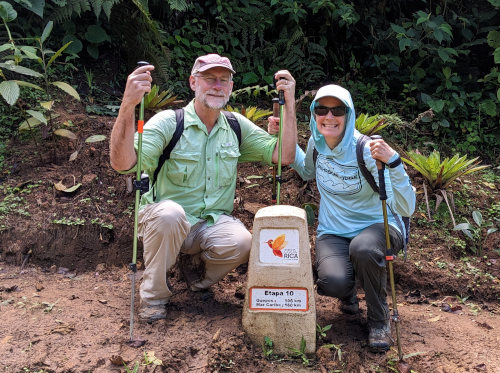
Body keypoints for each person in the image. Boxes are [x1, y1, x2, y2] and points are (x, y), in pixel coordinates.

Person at [110, 54, 297, 322]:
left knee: (243, 242)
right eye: (210, 78)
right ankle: (154, 295)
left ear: (231, 86)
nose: (217, 85)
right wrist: (128, 105)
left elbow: (284, 155)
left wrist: (288, 105)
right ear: (193, 83)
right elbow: (123, 163)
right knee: (170, 214)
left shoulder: (234, 126)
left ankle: (196, 278)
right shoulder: (168, 122)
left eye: (224, 80)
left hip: (208, 224)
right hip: (166, 222)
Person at [268, 83, 415, 351]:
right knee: (332, 282)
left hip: (379, 226)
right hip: (333, 231)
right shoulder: (317, 144)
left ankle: (379, 320)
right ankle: (348, 294)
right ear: (314, 114)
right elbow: (306, 171)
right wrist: (283, 138)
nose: (329, 117)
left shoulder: (368, 150)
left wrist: (394, 162)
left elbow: (406, 207)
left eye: (338, 110)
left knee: (364, 248)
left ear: (350, 114)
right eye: (322, 109)